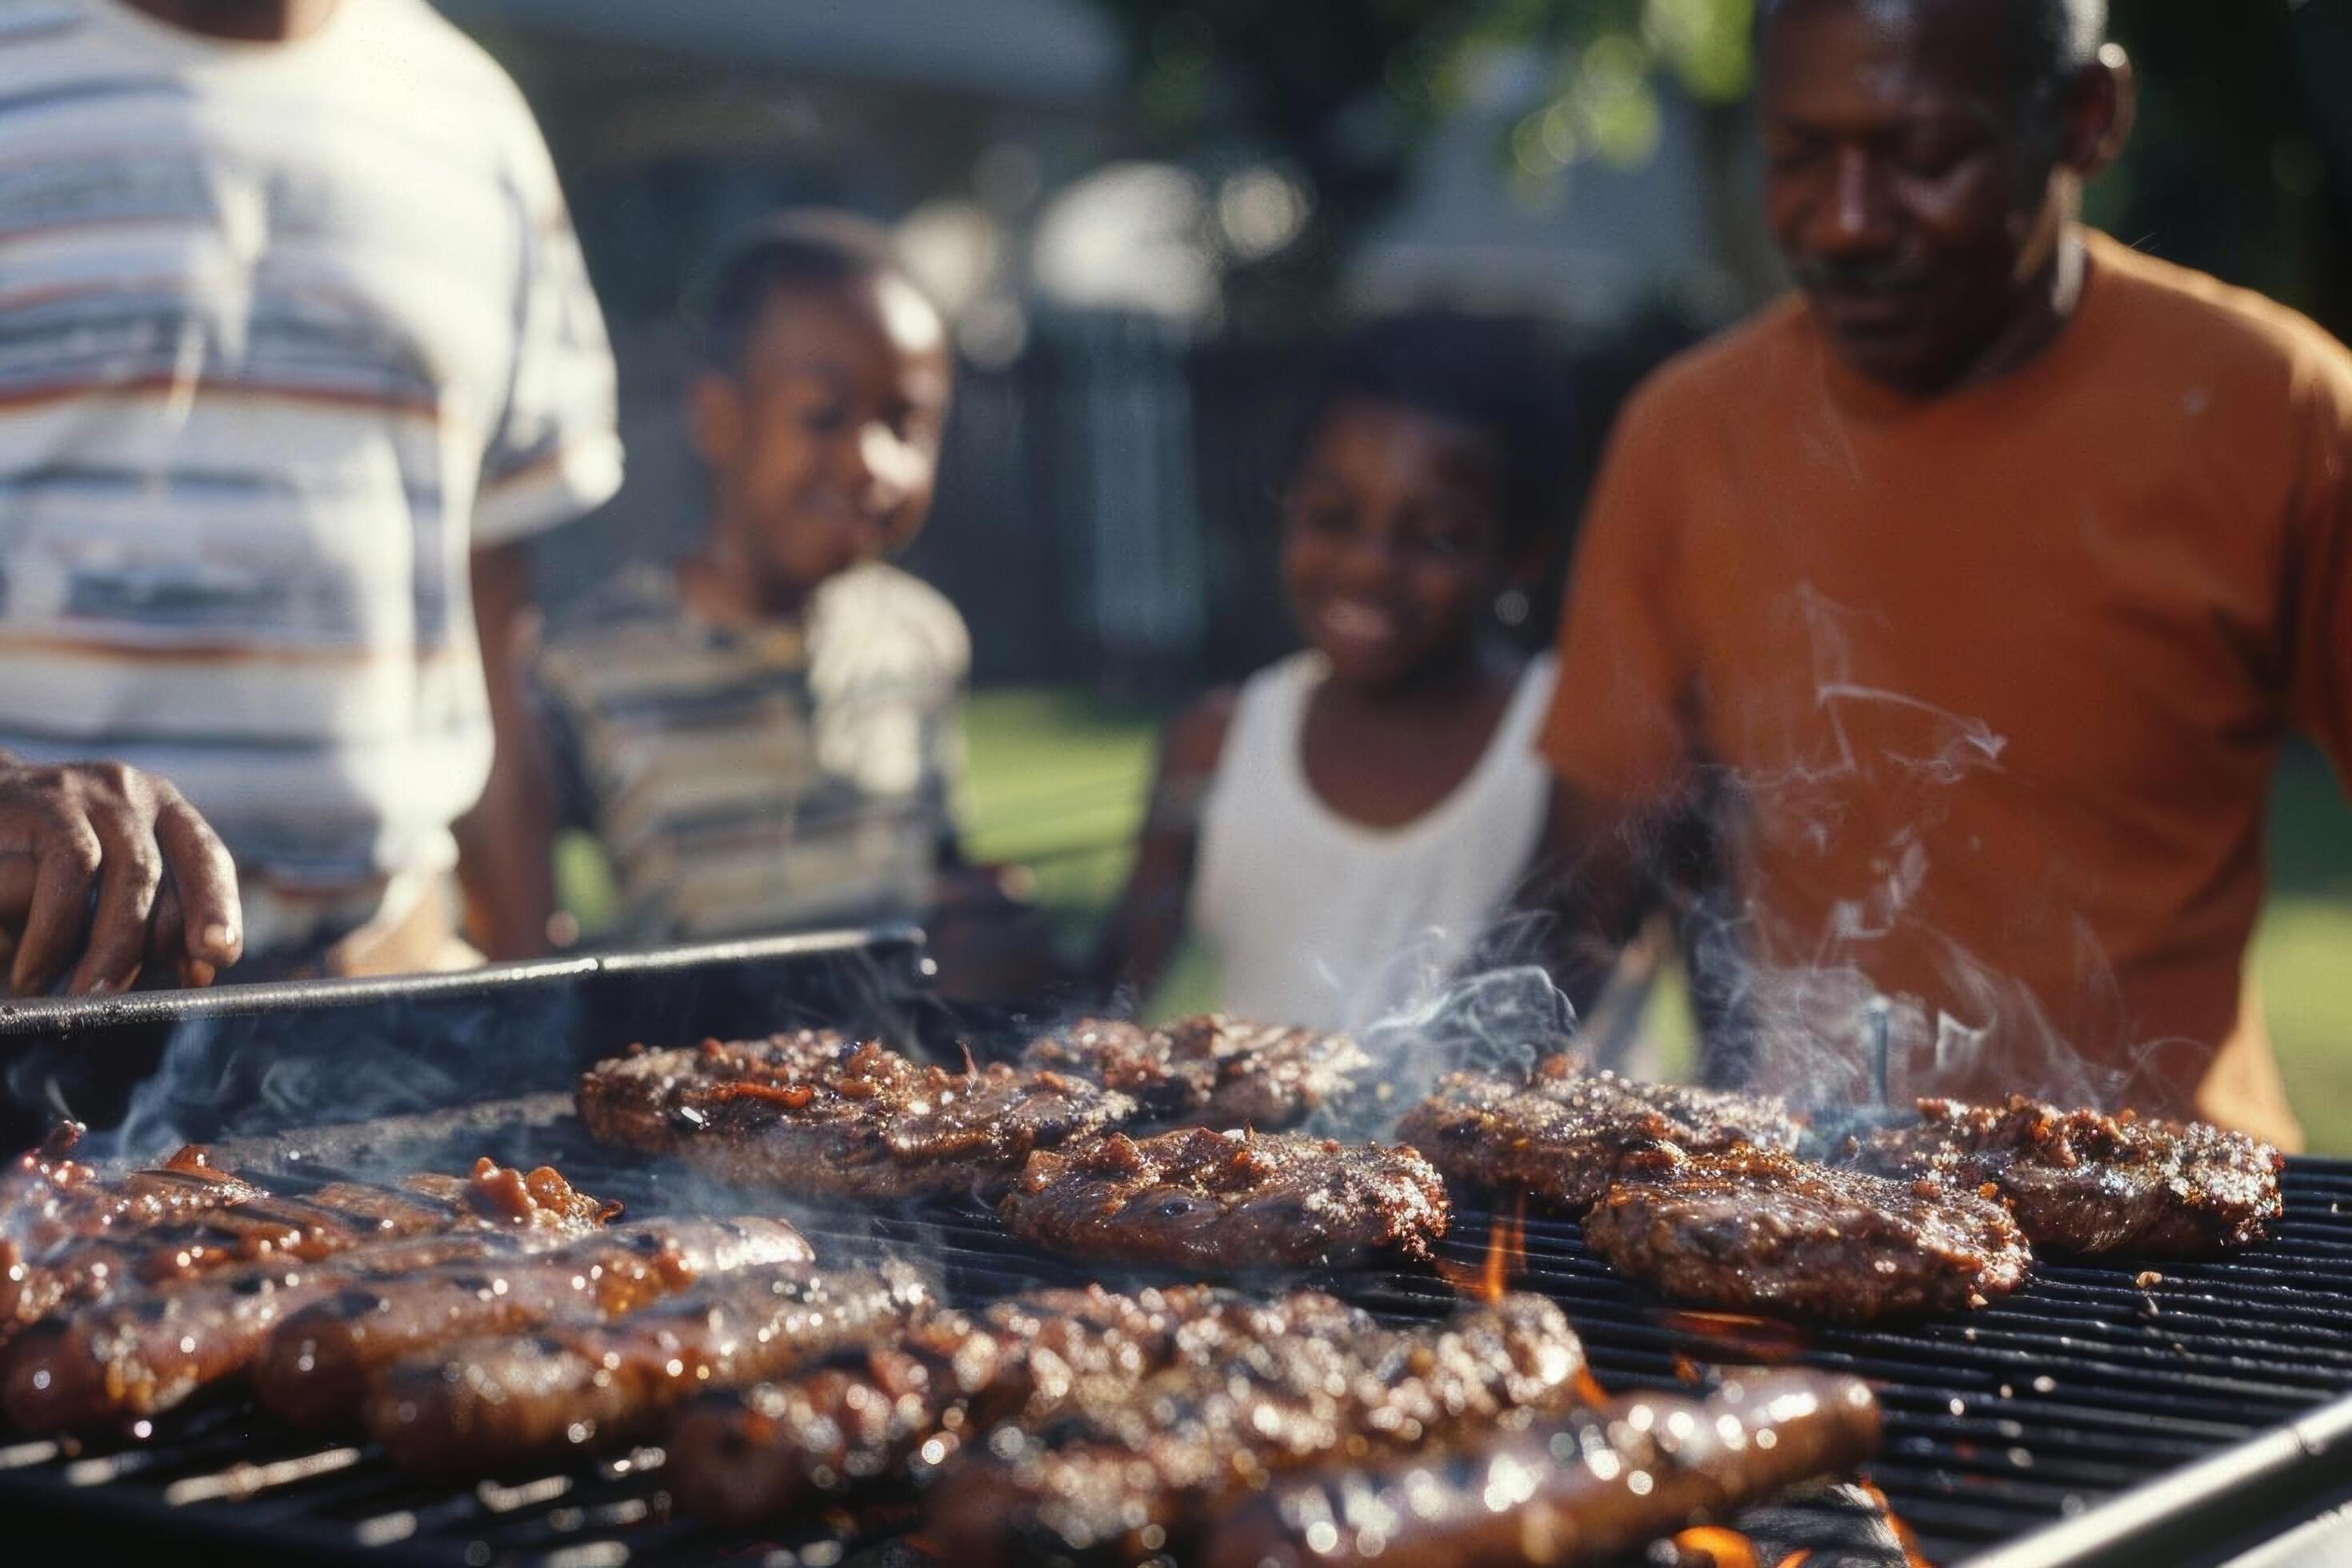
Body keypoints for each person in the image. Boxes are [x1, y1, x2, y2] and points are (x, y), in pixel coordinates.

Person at [1539, 0, 2350, 1146]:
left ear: (2085, 117)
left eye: (1924, 156)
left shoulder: (2279, 408)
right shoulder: (1686, 433)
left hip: (2175, 1225)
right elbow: (1586, 885)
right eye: (1799, 156)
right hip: (1806, 1196)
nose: (1850, 221)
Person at [0, 0, 622, 977]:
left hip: (388, 993)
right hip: (36, 1005)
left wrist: (533, 992)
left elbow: (491, 604)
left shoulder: (474, 118)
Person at [509, 213, 1050, 998]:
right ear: (718, 416)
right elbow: (522, 922)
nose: (874, 463)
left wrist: (976, 917)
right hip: (701, 1092)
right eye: (824, 416)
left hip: (895, 1091)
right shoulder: (583, 666)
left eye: (906, 423)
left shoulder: (923, 638)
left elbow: (933, 871)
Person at [1094, 316, 1572, 1034]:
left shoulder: (1573, 738)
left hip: (1539, 1147)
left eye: (1435, 535)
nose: (1368, 564)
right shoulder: (1214, 745)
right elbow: (1108, 1001)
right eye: (1332, 517)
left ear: (1523, 554)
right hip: (1277, 1147)